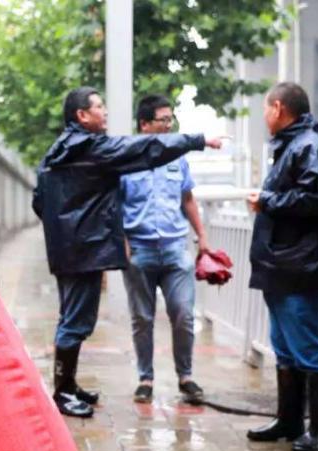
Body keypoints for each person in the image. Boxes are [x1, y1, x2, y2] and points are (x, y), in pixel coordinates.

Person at [33, 87, 221, 418]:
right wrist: (197, 139)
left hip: (74, 247)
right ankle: (62, 394)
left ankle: (70, 386)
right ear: (82, 115)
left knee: (75, 317)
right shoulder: (90, 147)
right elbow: (145, 149)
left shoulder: (60, 149)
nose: (105, 112)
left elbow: (40, 201)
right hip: (82, 249)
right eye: (99, 107)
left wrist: (67, 231)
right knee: (75, 321)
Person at [245, 82, 318, 451]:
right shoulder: (295, 144)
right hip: (285, 264)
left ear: (278, 108)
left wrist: (268, 199)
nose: (264, 116)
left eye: (265, 109)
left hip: (301, 265)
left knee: (307, 348)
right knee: (285, 347)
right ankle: (289, 421)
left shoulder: (310, 145)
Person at [120, 94, 210, 405]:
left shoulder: (177, 159)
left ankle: (185, 376)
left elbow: (187, 200)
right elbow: (114, 206)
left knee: (184, 314)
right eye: (163, 120)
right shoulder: (126, 160)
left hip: (175, 249)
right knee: (142, 318)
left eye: (171, 120)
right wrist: (123, 244)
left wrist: (202, 237)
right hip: (140, 252)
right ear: (144, 124)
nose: (169, 125)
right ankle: (145, 378)